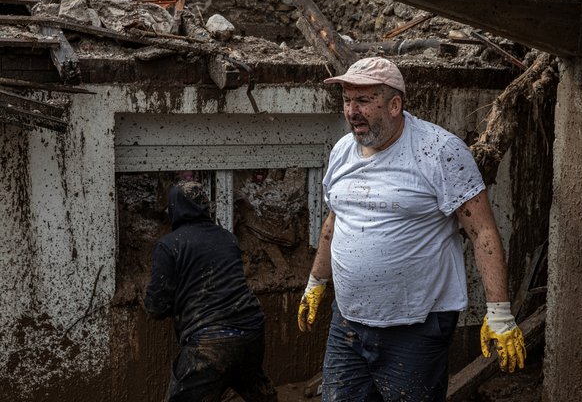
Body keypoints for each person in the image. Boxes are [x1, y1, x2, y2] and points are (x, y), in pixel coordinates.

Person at [297, 57, 526, 401]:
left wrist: (499, 312)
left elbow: (483, 233)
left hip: (415, 328)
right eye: (346, 100)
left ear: (394, 105)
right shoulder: (342, 151)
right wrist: (316, 283)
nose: (352, 111)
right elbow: (334, 220)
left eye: (363, 101)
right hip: (349, 321)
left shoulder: (439, 151)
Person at [144, 179, 278, 402]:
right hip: (252, 330)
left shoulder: (169, 246)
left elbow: (157, 307)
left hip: (210, 344)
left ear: (174, 209)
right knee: (255, 388)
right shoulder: (227, 238)